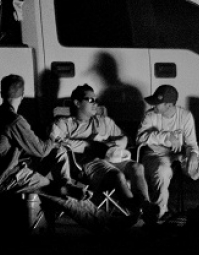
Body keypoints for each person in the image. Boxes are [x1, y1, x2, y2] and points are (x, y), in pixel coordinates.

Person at [0, 74, 115, 231]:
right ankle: (105, 222)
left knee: (58, 151)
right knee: (60, 193)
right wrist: (53, 136)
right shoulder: (15, 120)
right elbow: (41, 150)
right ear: (22, 94)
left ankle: (66, 184)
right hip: (9, 177)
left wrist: (54, 144)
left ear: (2, 93)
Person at [51, 84, 154, 221]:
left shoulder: (104, 121)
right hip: (87, 162)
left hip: (111, 158)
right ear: (77, 103)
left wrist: (117, 143)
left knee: (137, 167)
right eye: (90, 100)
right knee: (117, 176)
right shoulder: (65, 123)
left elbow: (124, 138)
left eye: (96, 100)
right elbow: (57, 143)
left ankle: (145, 205)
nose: (95, 104)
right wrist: (90, 145)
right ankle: (138, 210)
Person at [136, 84, 199, 220]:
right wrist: (166, 136)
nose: (153, 105)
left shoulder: (185, 116)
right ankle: (159, 213)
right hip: (156, 155)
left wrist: (193, 154)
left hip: (180, 155)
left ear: (169, 105)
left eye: (157, 103)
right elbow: (139, 138)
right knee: (162, 170)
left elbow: (191, 143)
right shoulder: (150, 116)